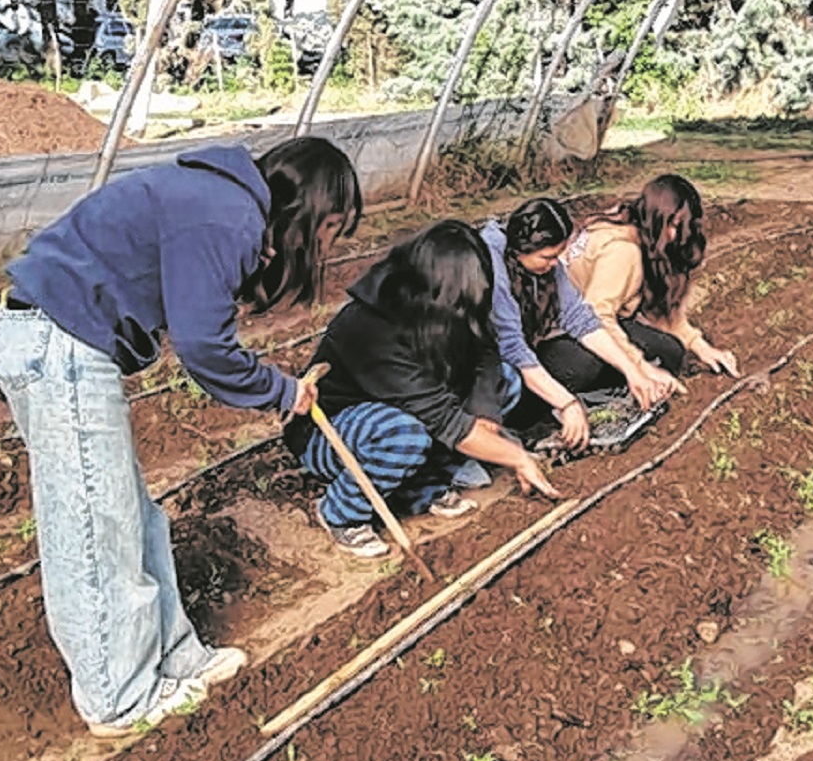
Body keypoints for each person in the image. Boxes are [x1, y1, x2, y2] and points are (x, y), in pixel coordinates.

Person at [0, 137, 362, 741]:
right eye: (330, 228)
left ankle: (176, 656)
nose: (325, 246)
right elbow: (203, 344)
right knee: (95, 526)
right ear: (309, 209)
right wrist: (283, 392)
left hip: (62, 340)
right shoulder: (229, 213)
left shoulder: (223, 201)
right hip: (58, 343)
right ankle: (120, 695)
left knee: (135, 519)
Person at [287, 220, 559, 554]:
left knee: (506, 380)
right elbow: (443, 421)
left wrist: (485, 412)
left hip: (411, 409)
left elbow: (486, 352)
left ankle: (422, 489)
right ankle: (342, 513)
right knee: (404, 434)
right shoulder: (372, 328)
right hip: (333, 430)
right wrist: (516, 457)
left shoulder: (446, 304)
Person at [481, 195, 678, 453]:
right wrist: (567, 405)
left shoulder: (544, 267)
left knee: (594, 363)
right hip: (486, 366)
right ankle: (514, 427)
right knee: (565, 373)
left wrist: (634, 372)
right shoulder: (493, 265)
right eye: (547, 257)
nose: (555, 265)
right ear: (522, 248)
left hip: (518, 358)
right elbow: (513, 348)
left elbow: (581, 319)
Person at [565, 174, 738, 380]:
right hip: (561, 336)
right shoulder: (623, 252)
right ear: (655, 218)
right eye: (672, 226)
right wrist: (638, 367)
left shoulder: (631, 227)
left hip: (577, 322)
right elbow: (596, 317)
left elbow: (662, 313)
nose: (675, 236)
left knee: (668, 350)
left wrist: (700, 346)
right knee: (595, 364)